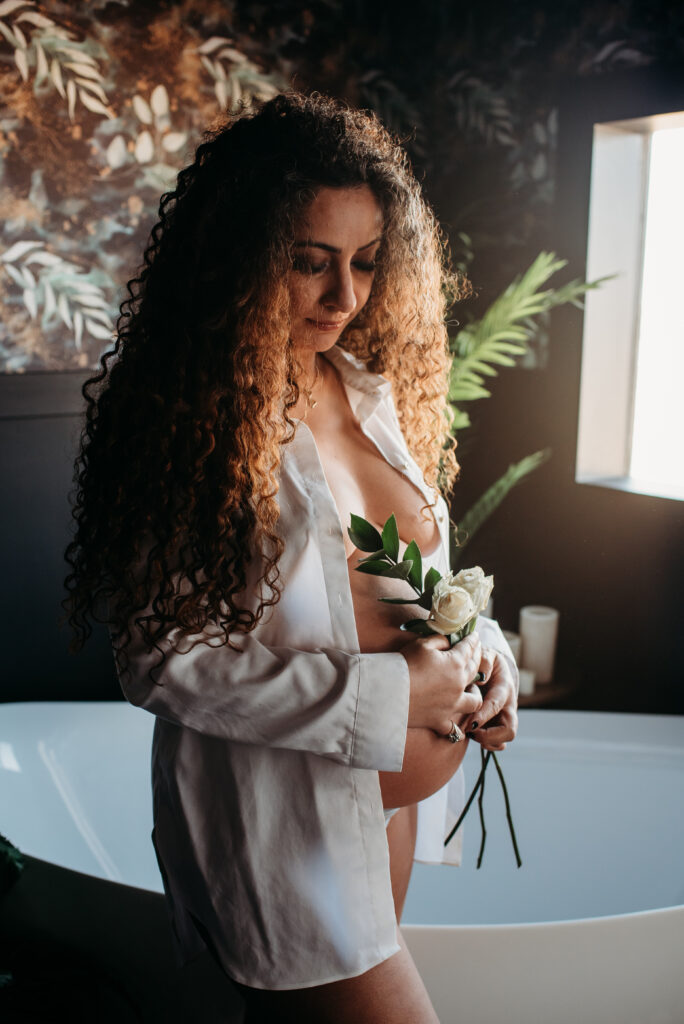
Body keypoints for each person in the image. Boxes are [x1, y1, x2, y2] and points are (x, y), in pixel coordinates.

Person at [64, 91, 518, 1023]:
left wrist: (484, 658)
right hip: (284, 832)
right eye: (309, 262)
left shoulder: (366, 389)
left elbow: (407, 580)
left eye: (363, 263)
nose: (345, 298)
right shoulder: (191, 420)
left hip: (383, 812)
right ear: (237, 256)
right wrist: (397, 700)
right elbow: (161, 661)